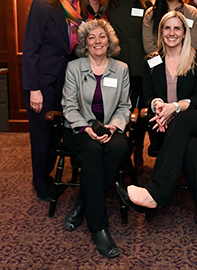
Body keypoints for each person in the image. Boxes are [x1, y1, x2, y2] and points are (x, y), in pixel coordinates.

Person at [117, 11, 197, 248]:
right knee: (191, 149)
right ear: (160, 32)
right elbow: (147, 96)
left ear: (185, 33)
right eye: (167, 28)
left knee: (183, 119)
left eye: (177, 28)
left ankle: (155, 192)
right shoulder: (151, 60)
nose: (172, 33)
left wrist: (173, 108)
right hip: (164, 125)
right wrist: (157, 106)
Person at [62, 19, 131, 258]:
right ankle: (99, 227)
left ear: (109, 41)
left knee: (120, 148)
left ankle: (83, 201)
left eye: (102, 36)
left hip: (108, 128)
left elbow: (124, 106)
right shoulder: (74, 67)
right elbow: (69, 106)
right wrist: (84, 127)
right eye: (92, 37)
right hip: (79, 128)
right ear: (85, 43)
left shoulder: (121, 68)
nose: (98, 41)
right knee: (92, 151)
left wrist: (114, 127)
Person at [22, 0, 86, 201]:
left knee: (56, 133)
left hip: (65, 82)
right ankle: (40, 182)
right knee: (41, 134)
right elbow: (30, 49)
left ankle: (47, 176)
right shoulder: (42, 6)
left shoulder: (80, 12)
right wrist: (33, 89)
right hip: (43, 81)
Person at [106, 0, 153, 174]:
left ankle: (138, 150)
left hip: (142, 64)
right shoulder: (109, 4)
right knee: (118, 109)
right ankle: (121, 150)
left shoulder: (144, 3)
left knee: (141, 112)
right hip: (117, 63)